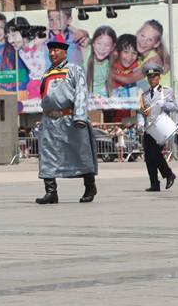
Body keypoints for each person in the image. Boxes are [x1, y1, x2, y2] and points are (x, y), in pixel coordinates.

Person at [34, 39, 98, 204]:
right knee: (47, 156)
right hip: (50, 121)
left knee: (81, 154)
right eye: (51, 51)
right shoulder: (46, 73)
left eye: (56, 50)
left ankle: (90, 186)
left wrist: (80, 116)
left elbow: (81, 93)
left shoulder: (74, 69)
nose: (53, 53)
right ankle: (51, 192)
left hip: (70, 119)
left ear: (64, 52)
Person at [136, 63, 178, 192]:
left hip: (160, 127)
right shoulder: (144, 95)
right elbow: (140, 112)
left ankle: (168, 174)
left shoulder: (166, 91)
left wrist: (165, 104)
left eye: (154, 77)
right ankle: (154, 183)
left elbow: (175, 107)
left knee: (155, 154)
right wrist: (140, 123)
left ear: (159, 77)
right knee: (149, 157)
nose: (152, 79)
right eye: (149, 77)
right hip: (149, 128)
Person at [86, 25, 117, 96]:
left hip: (104, 102)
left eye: (107, 45)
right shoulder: (86, 53)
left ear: (112, 47)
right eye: (99, 43)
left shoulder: (112, 62)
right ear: (93, 43)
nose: (102, 48)